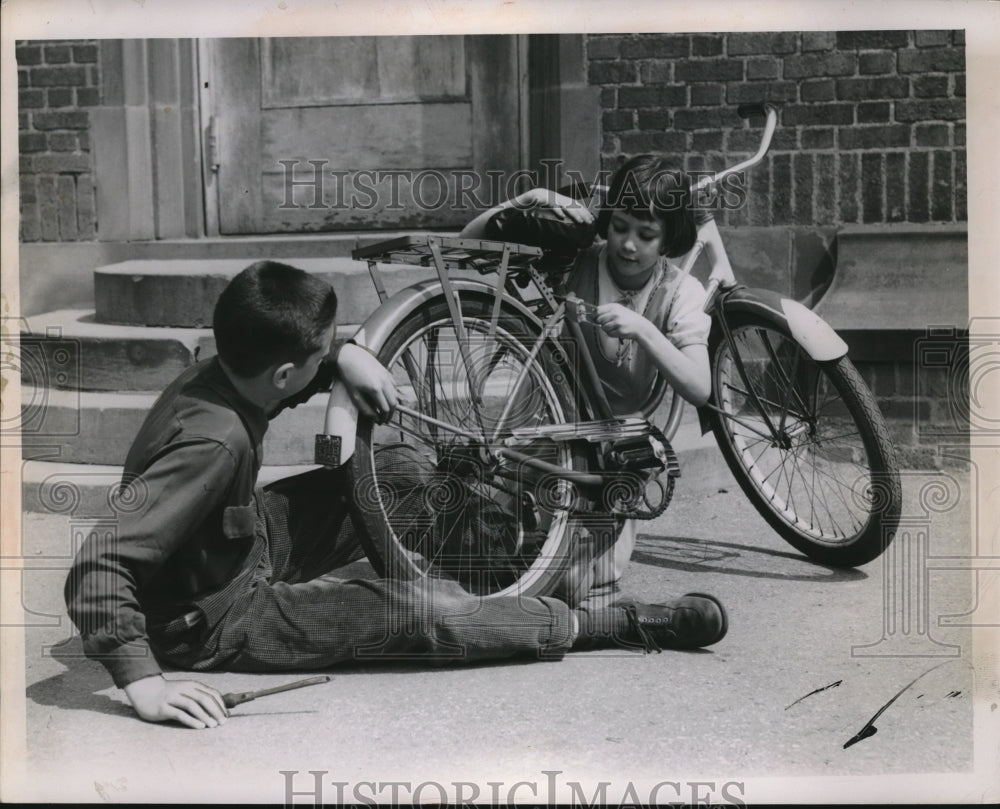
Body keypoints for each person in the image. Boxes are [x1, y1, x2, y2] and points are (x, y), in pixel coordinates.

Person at [64, 259, 727, 730]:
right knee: (420, 611)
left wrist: (344, 358)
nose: (328, 358)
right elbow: (98, 566)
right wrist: (142, 681)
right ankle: (602, 624)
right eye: (320, 351)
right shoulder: (211, 443)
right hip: (220, 616)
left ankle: (506, 559)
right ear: (284, 370)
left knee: (402, 466)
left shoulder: (226, 369)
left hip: (241, 536)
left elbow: (291, 367)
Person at [461, 155, 714, 610]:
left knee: (581, 586)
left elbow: (699, 387)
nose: (629, 245)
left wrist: (645, 330)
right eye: (619, 227)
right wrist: (525, 200)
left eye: (646, 234)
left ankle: (563, 553)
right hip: (546, 431)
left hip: (617, 450)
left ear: (670, 238)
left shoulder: (681, 292)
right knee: (494, 553)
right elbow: (470, 241)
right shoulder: (577, 259)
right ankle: (525, 531)